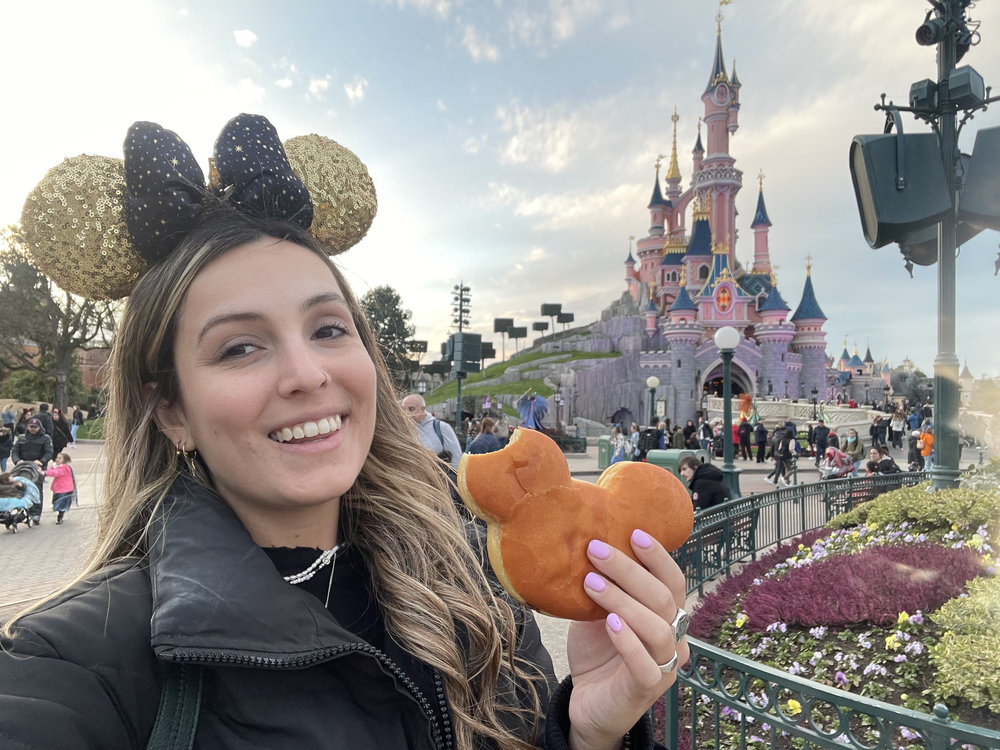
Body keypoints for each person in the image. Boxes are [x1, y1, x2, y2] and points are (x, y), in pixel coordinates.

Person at [0, 115, 685, 749]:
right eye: (240, 347)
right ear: (170, 411)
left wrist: (589, 732)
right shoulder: (81, 663)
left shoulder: (471, 580)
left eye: (329, 329)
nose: (307, 373)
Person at [401, 393, 463, 470]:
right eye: (403, 409)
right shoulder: (403, 430)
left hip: (438, 479)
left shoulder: (442, 427)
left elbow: (456, 459)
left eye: (411, 409)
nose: (406, 414)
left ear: (423, 409)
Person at [43, 452, 76, 524]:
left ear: (64, 461)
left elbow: (56, 473)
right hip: (58, 488)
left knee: (62, 502)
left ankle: (60, 516)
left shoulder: (64, 468)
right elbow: (51, 471)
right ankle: (59, 512)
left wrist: (45, 473)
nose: (57, 459)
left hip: (65, 489)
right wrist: (44, 473)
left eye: (60, 458)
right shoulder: (55, 466)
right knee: (56, 501)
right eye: (57, 458)